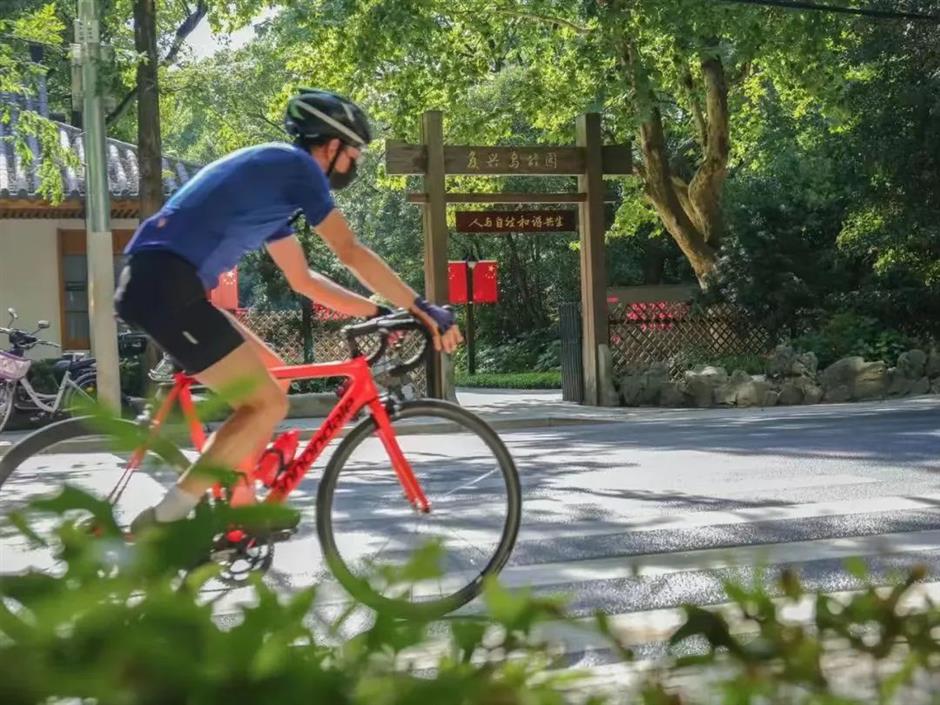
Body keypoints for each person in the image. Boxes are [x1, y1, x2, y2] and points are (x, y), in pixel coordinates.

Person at [115, 88, 462, 533]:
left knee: (274, 374)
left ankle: (240, 515)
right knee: (265, 406)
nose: (355, 162)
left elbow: (304, 280)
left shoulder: (277, 185)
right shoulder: (298, 168)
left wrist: (375, 310)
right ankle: (163, 522)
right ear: (331, 145)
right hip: (165, 284)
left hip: (168, 282)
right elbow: (349, 249)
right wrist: (418, 307)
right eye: (354, 152)